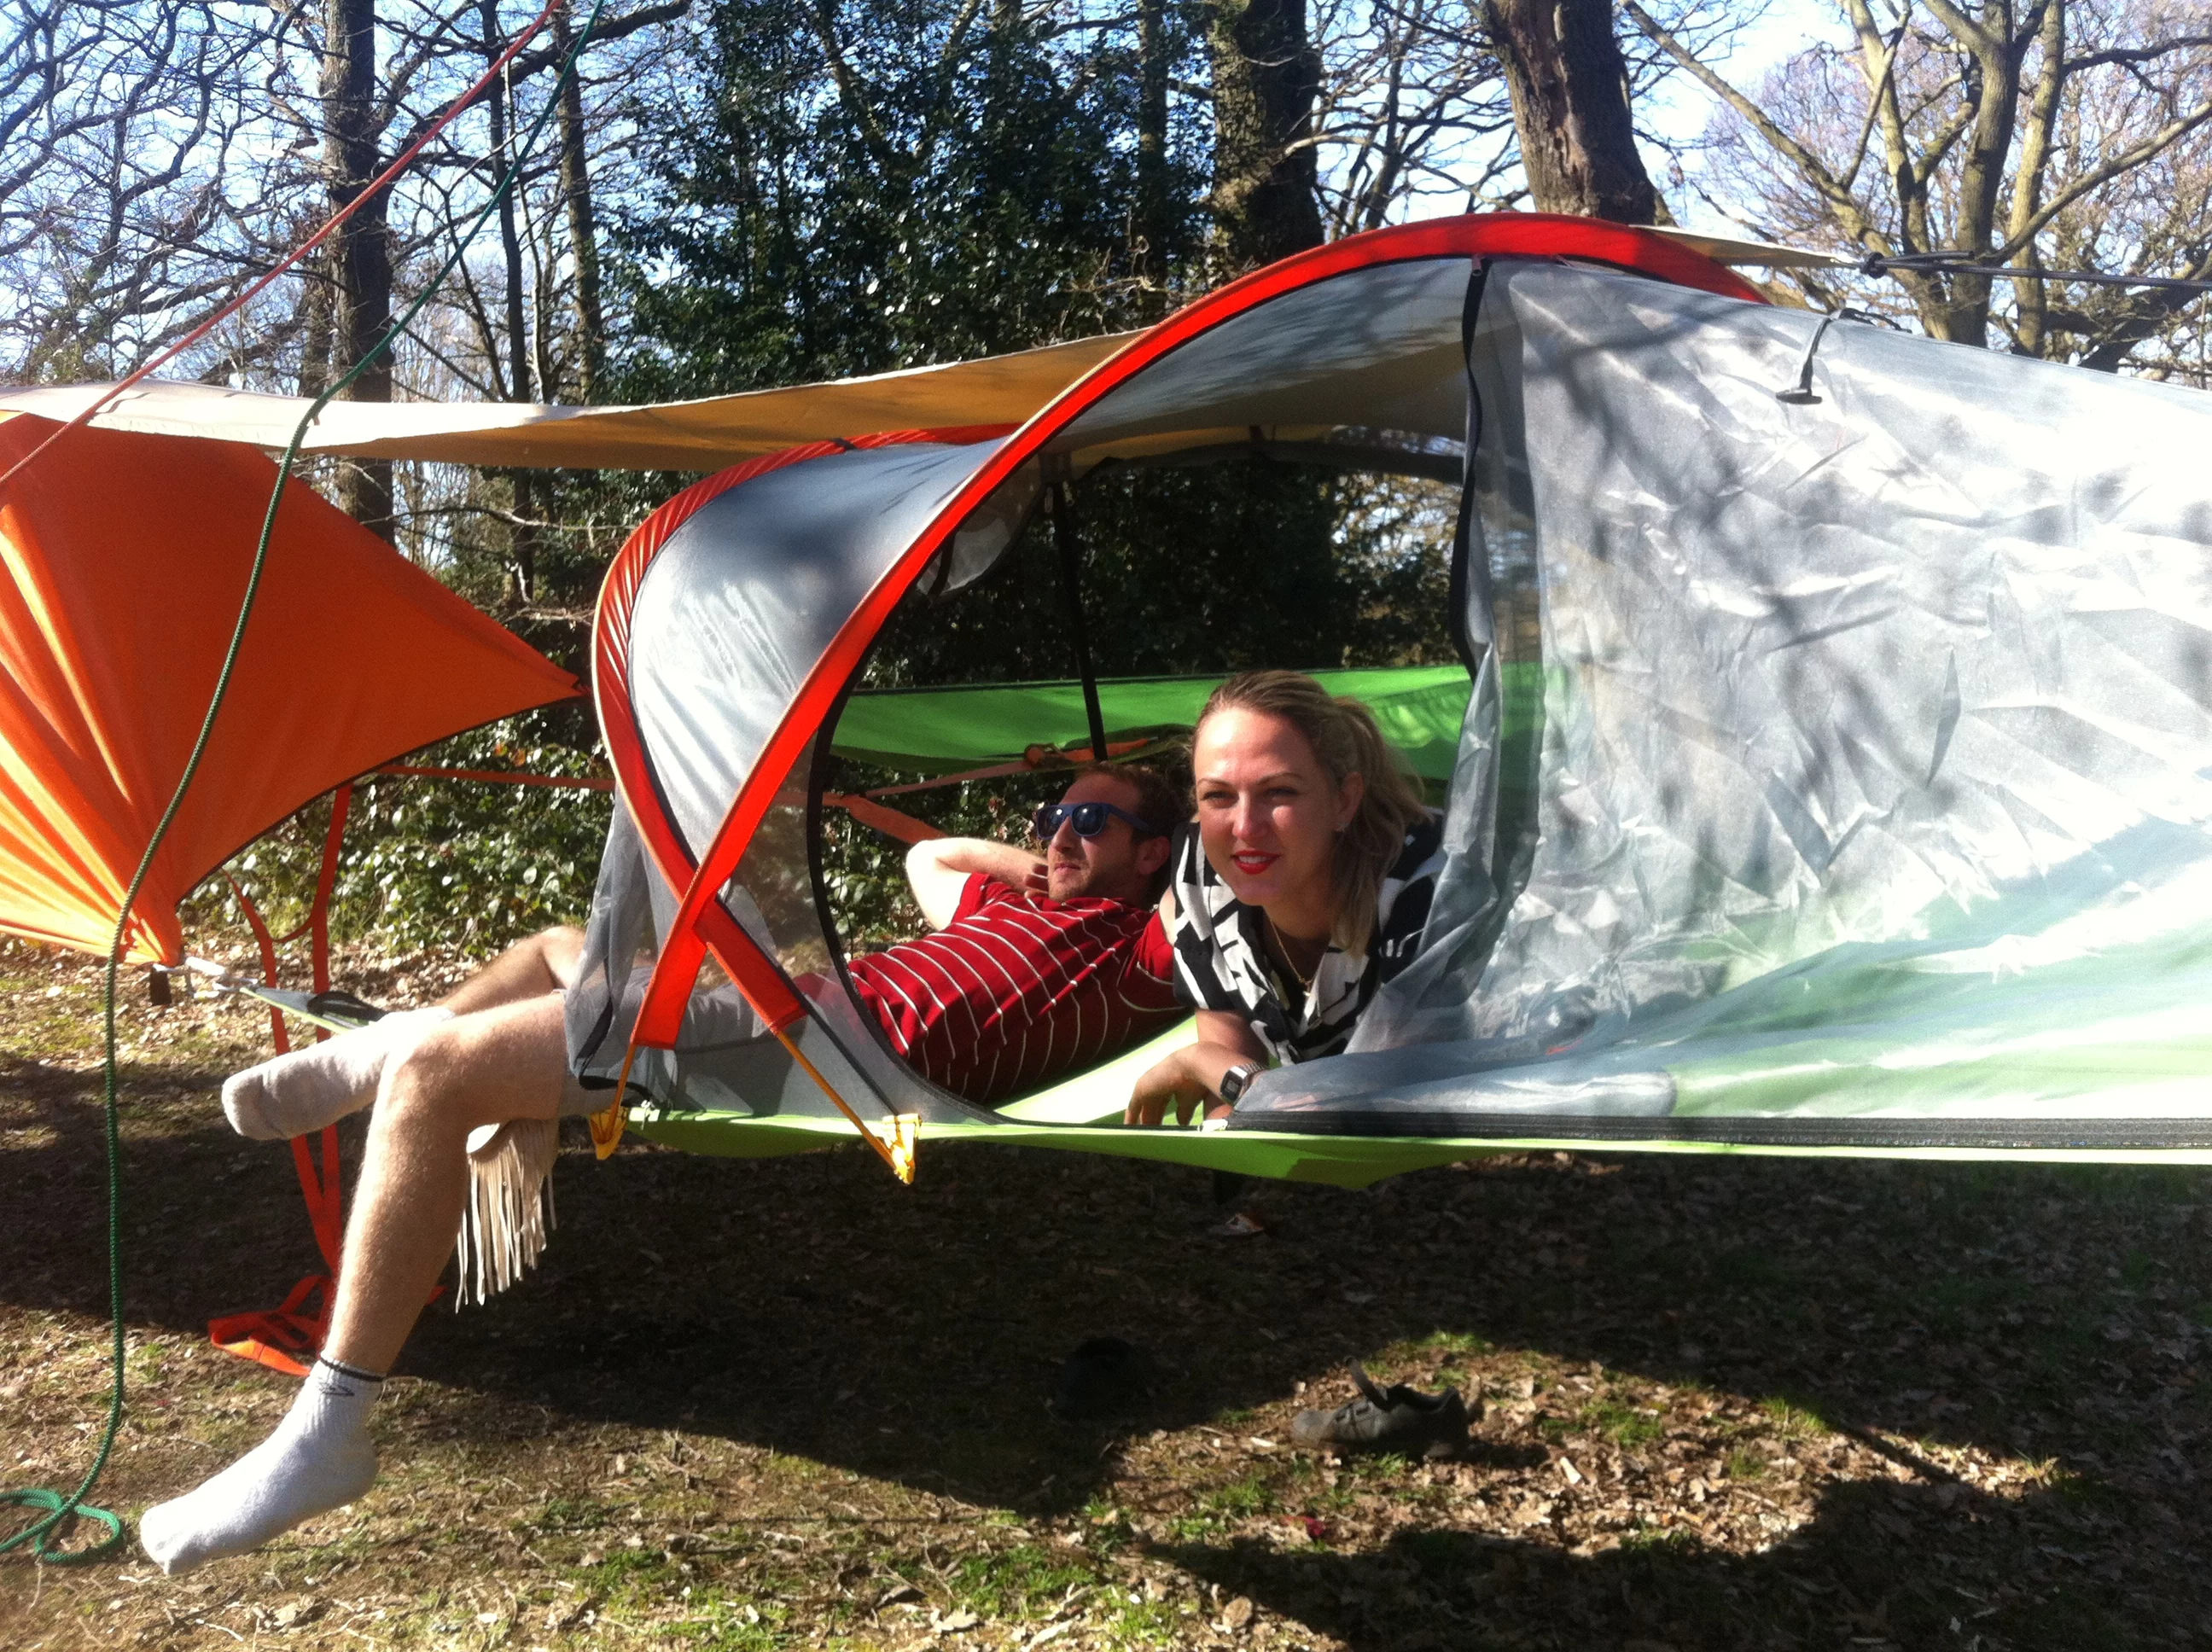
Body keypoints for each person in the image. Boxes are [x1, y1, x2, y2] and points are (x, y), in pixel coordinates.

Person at [141, 764, 1182, 1574]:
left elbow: (1225, 920)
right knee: (556, 944)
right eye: (1052, 814)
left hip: (829, 1052)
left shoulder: (1138, 947)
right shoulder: (1010, 908)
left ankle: (330, 1428)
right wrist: (1044, 856)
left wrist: (1120, 870)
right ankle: (384, 1050)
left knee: (441, 1077)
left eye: (1090, 823)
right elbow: (935, 859)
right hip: (796, 999)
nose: (1056, 834)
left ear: (1155, 856)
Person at [1124, 671, 1443, 1127]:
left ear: (1344, 801)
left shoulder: (1426, 884)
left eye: (1279, 792)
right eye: (1217, 795)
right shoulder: (1202, 869)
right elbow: (1232, 1082)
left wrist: (1199, 1062)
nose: (1245, 828)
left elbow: (1382, 1097)